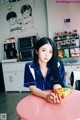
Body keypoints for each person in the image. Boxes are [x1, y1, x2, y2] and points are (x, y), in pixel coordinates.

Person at [24, 37, 66, 104]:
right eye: (43, 50)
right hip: (38, 98)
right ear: (37, 51)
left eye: (50, 51)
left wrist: (57, 93)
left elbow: (57, 82)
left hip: (53, 98)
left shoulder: (57, 63)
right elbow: (32, 88)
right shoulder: (29, 66)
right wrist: (46, 96)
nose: (47, 55)